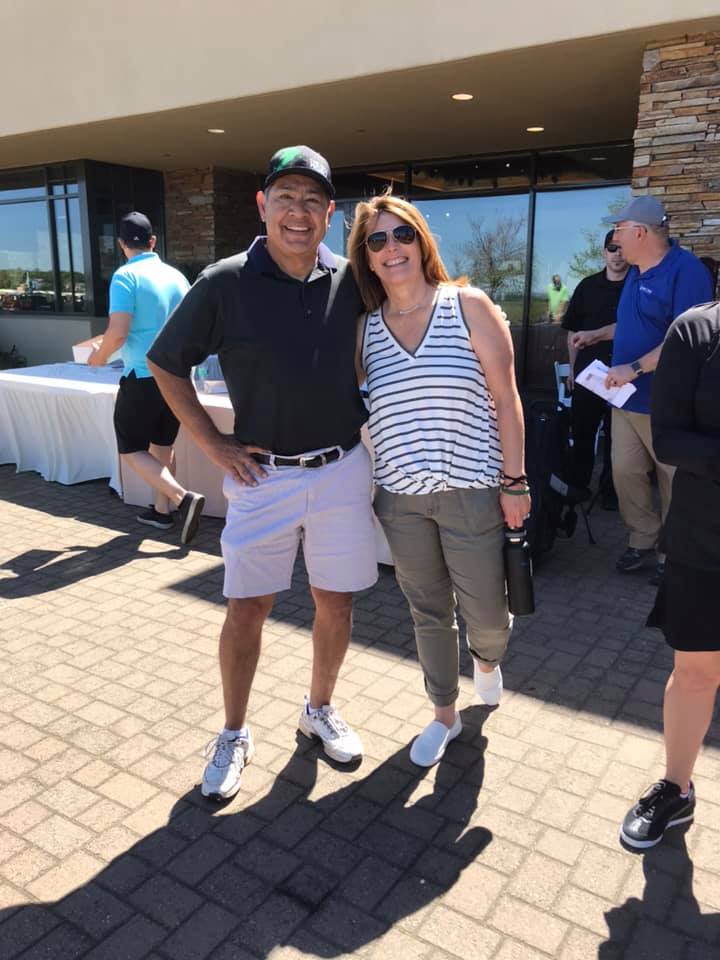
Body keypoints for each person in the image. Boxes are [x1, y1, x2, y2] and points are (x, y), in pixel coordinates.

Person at [147, 146, 378, 800]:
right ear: (262, 205)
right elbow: (166, 363)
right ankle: (233, 731)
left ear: (330, 214)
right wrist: (213, 445)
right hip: (261, 477)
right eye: (286, 198)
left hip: (340, 468)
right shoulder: (225, 282)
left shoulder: (353, 281)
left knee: (336, 601)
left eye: (312, 201)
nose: (298, 213)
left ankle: (318, 710)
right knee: (247, 607)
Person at [349, 194, 529, 768]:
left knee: (488, 618)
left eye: (402, 234)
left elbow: (507, 401)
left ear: (421, 241)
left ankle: (487, 659)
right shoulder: (364, 330)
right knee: (427, 611)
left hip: (472, 491)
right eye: (377, 240)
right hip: (399, 499)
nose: (392, 248)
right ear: (366, 258)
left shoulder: (469, 306)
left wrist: (515, 482)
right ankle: (443, 713)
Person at [571, 196, 713, 582]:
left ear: (640, 232)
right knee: (625, 473)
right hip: (626, 400)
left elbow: (687, 340)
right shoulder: (636, 271)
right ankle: (642, 540)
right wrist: (597, 333)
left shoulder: (687, 272)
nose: (614, 239)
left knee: (673, 479)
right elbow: (634, 323)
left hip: (668, 402)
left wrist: (633, 368)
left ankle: (674, 554)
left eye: (618, 230)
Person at [620, 301, 719, 849]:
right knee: (697, 672)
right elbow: (671, 438)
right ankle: (676, 788)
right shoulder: (698, 330)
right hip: (707, 540)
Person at [88, 212, 205, 544]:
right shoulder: (177, 277)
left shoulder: (125, 276)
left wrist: (99, 357)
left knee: (130, 448)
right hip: (177, 375)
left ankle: (183, 499)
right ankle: (161, 511)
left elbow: (118, 333)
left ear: (121, 243)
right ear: (153, 241)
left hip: (142, 374)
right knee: (163, 445)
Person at [562, 230, 629, 508]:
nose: (617, 254)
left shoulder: (638, 287)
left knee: (618, 439)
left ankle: (610, 491)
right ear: (604, 252)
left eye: (622, 248)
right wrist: (572, 370)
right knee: (583, 432)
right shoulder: (587, 286)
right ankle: (578, 486)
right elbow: (572, 331)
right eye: (612, 248)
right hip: (589, 376)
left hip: (626, 376)